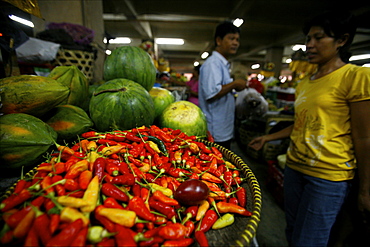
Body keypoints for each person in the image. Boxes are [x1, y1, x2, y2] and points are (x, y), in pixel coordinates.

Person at [248, 10, 370, 246]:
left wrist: (365, 189)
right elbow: (302, 124)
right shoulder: (305, 82)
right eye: (308, 39)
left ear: (342, 40)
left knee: (310, 241)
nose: (310, 45)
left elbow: (364, 137)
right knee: (293, 232)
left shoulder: (355, 77)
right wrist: (268, 138)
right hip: (294, 169)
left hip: (328, 177)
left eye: (319, 38)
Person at [199, 21, 247, 149]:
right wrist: (235, 83)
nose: (235, 43)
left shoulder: (222, 64)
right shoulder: (212, 64)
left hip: (223, 129)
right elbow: (212, 93)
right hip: (215, 130)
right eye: (231, 38)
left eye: (237, 39)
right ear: (219, 41)